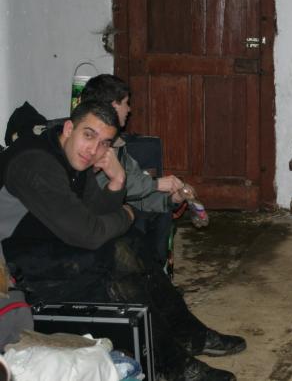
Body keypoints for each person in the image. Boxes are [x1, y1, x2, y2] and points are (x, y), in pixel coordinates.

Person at [0, 100, 244, 381]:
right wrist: (127, 214)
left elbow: (95, 210)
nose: (94, 150)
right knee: (108, 256)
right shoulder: (35, 163)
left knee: (130, 241)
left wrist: (117, 181)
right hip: (10, 262)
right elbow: (89, 233)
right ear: (68, 128)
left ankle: (188, 334)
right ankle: (170, 364)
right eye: (89, 135)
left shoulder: (75, 154)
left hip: (46, 239)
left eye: (104, 143)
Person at [80, 74, 187, 269]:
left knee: (161, 213)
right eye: (126, 103)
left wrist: (170, 199)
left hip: (110, 213)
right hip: (90, 220)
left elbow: (136, 189)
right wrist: (156, 184)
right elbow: (109, 188)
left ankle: (153, 273)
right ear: (113, 106)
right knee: (135, 223)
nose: (129, 110)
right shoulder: (90, 145)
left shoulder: (118, 146)